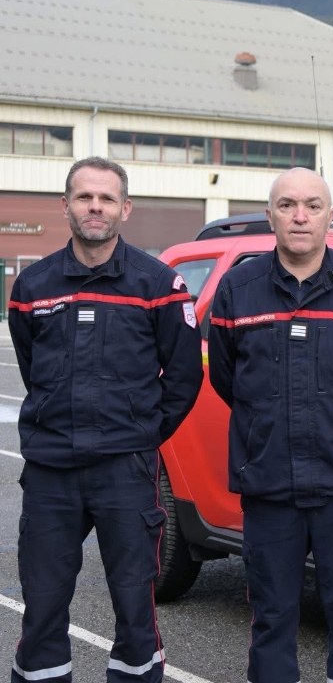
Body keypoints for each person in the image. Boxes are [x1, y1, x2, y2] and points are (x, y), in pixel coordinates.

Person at [207, 168, 333, 683]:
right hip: (269, 484)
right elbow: (227, 378)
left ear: (330, 216)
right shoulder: (238, 288)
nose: (301, 216)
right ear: (271, 214)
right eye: (288, 205)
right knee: (272, 615)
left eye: (313, 205)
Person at [7, 157, 203, 683]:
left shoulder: (159, 282)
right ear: (65, 205)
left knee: (135, 609)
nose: (96, 207)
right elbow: (32, 367)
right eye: (85, 197)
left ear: (125, 208)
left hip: (126, 473)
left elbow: (184, 377)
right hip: (52, 473)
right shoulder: (33, 286)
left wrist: (141, 436)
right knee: (43, 606)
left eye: (107, 198)